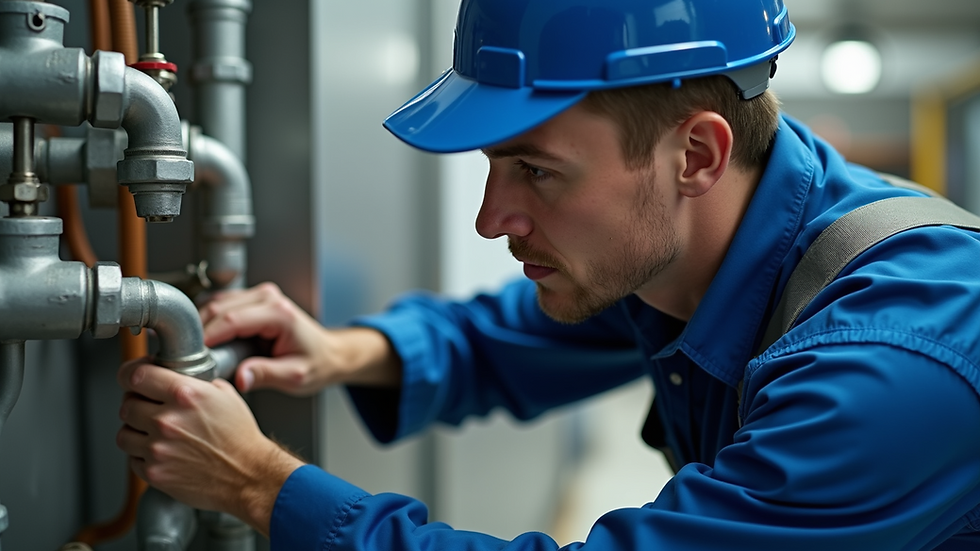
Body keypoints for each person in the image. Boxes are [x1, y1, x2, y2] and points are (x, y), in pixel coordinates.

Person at [115, 0, 980, 549]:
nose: (493, 218)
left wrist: (259, 483)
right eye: (495, 167)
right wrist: (346, 350)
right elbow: (521, 331)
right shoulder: (705, 237)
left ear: (697, 153)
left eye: (536, 171)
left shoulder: (886, 372)